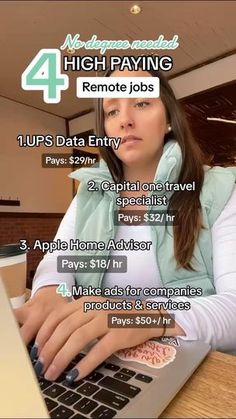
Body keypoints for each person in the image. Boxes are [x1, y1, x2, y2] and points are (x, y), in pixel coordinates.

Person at [14, 66, 236, 385]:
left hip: (193, 378)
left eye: (142, 104)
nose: (124, 119)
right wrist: (50, 291)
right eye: (112, 110)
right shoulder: (90, 193)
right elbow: (58, 259)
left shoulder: (220, 190)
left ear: (170, 119)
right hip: (97, 369)